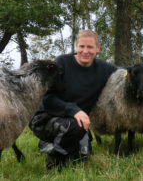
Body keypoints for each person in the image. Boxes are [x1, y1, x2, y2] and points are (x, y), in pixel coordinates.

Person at [29, 29, 117, 170]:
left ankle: (56, 145)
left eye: (90, 47)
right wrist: (73, 110)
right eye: (82, 46)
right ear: (76, 46)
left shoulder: (104, 68)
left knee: (81, 157)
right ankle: (54, 160)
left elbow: (126, 72)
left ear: (98, 48)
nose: (85, 51)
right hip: (45, 119)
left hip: (77, 122)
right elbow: (48, 100)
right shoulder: (61, 63)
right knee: (74, 128)